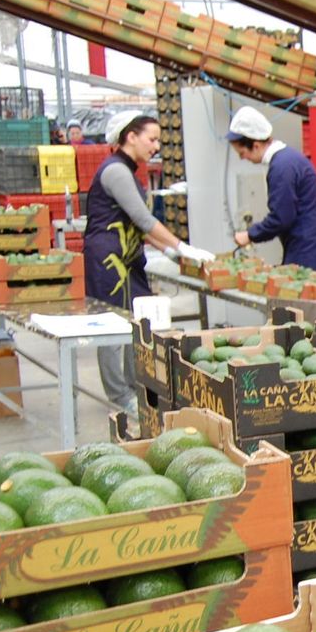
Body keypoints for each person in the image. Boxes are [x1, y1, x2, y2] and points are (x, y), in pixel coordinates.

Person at [84, 111, 186, 418]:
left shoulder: (128, 171)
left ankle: (134, 383)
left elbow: (140, 226)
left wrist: (171, 252)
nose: (156, 146)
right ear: (131, 136)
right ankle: (119, 393)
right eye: (151, 139)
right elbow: (144, 219)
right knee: (111, 326)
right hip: (109, 259)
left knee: (135, 321)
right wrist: (180, 246)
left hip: (128, 257)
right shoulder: (116, 171)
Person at [225, 107, 316, 270]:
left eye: (242, 153)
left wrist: (250, 235)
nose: (243, 158)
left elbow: (281, 218)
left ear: (255, 145)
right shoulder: (289, 159)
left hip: (306, 252)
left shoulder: (281, 167)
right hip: (311, 246)